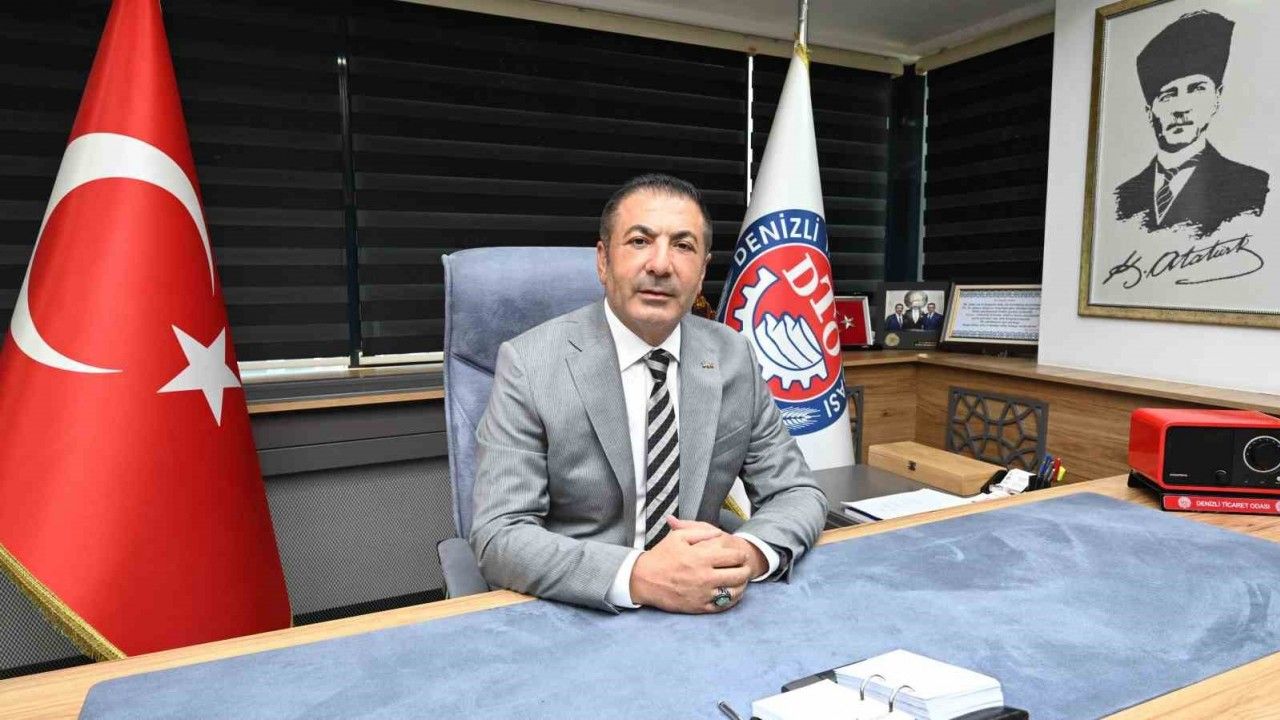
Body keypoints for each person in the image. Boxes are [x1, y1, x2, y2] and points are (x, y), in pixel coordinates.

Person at [469, 174, 828, 615]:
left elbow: (797, 492)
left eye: (683, 246)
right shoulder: (529, 363)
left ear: (702, 272)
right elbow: (499, 535)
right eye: (640, 241)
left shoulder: (733, 356)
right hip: (582, 610)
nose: (660, 265)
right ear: (603, 261)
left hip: (707, 608)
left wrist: (747, 554)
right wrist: (640, 576)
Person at [1113, 10, 1269, 238]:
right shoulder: (1122, 198)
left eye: (1196, 89)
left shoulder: (1253, 188)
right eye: (1168, 95)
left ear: (1217, 98)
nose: (1181, 108)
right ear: (1149, 112)